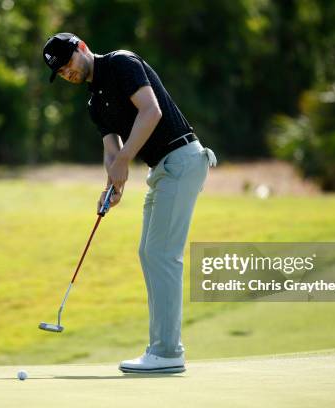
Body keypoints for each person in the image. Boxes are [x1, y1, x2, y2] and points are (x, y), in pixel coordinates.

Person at [42, 32, 216, 373]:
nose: (68, 74)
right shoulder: (94, 104)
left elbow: (150, 112)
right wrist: (113, 184)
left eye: (68, 64)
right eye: (61, 73)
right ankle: (161, 348)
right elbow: (112, 151)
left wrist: (123, 161)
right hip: (163, 170)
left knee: (162, 254)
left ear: (82, 48)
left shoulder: (121, 63)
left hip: (182, 159)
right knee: (149, 253)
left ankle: (167, 352)